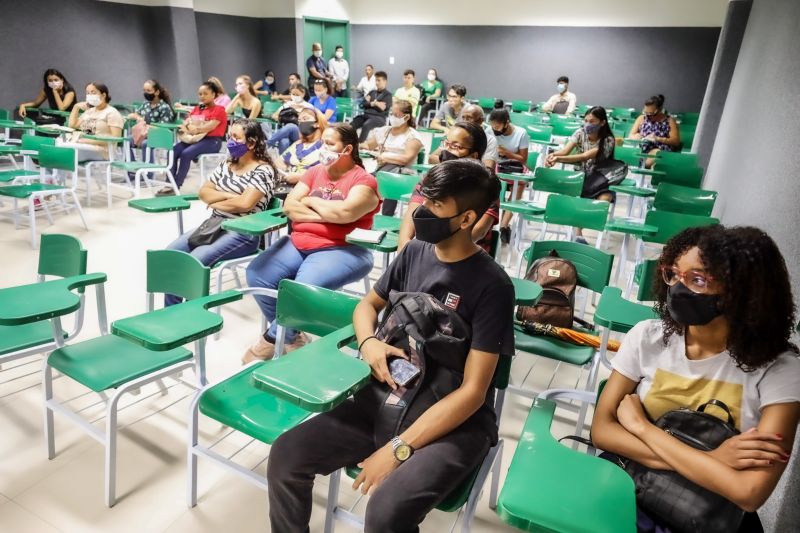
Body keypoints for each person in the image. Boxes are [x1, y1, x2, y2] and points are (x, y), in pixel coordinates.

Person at [266, 159, 514, 533]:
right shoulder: (415, 251)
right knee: (286, 456)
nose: (421, 211)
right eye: (423, 199)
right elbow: (368, 305)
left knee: (385, 512)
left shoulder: (492, 286)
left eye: (435, 206)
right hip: (388, 395)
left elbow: (474, 393)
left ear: (466, 220)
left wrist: (399, 448)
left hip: (451, 422)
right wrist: (369, 343)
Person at [592, 225, 800, 532]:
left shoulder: (780, 370)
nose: (679, 287)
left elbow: (749, 493)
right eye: (674, 274)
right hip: (628, 492)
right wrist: (715, 460)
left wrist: (641, 428)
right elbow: (602, 431)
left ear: (741, 292)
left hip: (706, 516)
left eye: (698, 280)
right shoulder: (648, 338)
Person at [244, 123, 380, 362]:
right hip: (300, 241)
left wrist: (310, 201)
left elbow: (344, 214)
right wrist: (327, 213)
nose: (323, 148)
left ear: (347, 149)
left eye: (329, 144)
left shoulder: (364, 180)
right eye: (322, 143)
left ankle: (271, 339)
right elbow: (290, 206)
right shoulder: (314, 172)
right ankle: (292, 335)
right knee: (258, 273)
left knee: (300, 290)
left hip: (342, 248)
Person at [164, 119, 275, 305]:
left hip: (243, 232)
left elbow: (246, 204)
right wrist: (230, 195)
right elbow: (204, 192)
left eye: (236, 137)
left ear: (251, 142)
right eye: (230, 136)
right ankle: (171, 311)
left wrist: (218, 202)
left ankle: (193, 313)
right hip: (215, 224)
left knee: (195, 262)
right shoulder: (227, 164)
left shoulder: (264, 170)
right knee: (172, 255)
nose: (230, 141)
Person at [400, 122, 499, 255]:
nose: (448, 151)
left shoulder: (485, 187)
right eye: (446, 144)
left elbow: (476, 233)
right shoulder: (430, 179)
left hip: (464, 258)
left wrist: (431, 260)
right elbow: (408, 228)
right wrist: (406, 259)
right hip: (423, 253)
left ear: (474, 156)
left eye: (456, 146)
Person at [545, 105, 615, 243]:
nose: (588, 124)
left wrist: (559, 159)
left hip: (601, 180)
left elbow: (585, 156)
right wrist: (552, 155)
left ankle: (580, 232)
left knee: (603, 200)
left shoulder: (608, 140)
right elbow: (565, 151)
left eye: (592, 121)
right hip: (580, 178)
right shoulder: (579, 133)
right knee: (575, 199)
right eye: (586, 120)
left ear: (602, 122)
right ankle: (578, 235)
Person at [162, 81, 228, 195]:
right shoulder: (199, 107)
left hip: (213, 141)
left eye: (205, 93)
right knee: (172, 152)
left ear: (213, 95)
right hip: (195, 139)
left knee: (186, 153)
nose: (202, 96)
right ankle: (169, 184)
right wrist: (186, 126)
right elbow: (188, 121)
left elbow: (210, 126)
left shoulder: (220, 110)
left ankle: (176, 186)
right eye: (200, 94)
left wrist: (195, 129)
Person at [362, 100, 424, 215]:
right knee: (363, 179)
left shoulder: (413, 136)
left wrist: (384, 156)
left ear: (406, 117)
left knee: (384, 181)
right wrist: (354, 144)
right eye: (391, 114)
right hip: (382, 171)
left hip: (404, 175)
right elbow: (368, 145)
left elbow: (406, 159)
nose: (392, 117)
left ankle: (385, 217)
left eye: (396, 115)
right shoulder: (385, 131)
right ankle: (368, 215)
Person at [489, 104, 530, 244]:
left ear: (507, 123)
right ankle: (489, 218)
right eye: (492, 126)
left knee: (519, 185)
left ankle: (504, 225)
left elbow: (523, 159)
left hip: (514, 165)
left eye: (497, 126)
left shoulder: (521, 133)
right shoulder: (489, 131)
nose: (494, 129)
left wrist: (506, 152)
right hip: (496, 163)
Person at [59, 82, 123, 162]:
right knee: (55, 146)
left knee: (66, 151)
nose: (90, 95)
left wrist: (88, 141)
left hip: (102, 150)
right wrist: (76, 107)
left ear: (103, 95)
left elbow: (115, 138)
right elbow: (72, 125)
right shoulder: (90, 111)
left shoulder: (112, 113)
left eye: (93, 92)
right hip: (83, 144)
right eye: (88, 93)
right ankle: (57, 174)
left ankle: (61, 174)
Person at [272, 107, 327, 195]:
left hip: (310, 191)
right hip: (286, 188)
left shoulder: (327, 146)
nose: (301, 123)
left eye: (305, 119)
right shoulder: (298, 144)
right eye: (300, 121)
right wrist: (281, 170)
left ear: (317, 123)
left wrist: (301, 177)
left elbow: (328, 176)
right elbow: (280, 162)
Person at [430, 104, 498, 169]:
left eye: (469, 118)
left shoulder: (490, 140)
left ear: (481, 120)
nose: (464, 121)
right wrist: (455, 163)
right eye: (463, 117)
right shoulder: (456, 134)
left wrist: (450, 162)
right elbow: (431, 158)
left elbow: (487, 167)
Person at [127, 79, 175, 162]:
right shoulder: (146, 104)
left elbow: (163, 127)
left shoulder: (164, 107)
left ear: (156, 92)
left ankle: (148, 173)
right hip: (145, 133)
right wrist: (138, 118)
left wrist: (147, 127)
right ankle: (131, 167)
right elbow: (136, 114)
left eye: (148, 90)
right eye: (144, 90)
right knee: (127, 141)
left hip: (161, 135)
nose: (146, 93)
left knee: (146, 144)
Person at [629, 94, 680, 167]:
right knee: (631, 154)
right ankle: (640, 165)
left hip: (659, 150)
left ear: (659, 111)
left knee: (654, 155)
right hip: (642, 148)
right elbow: (631, 135)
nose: (647, 116)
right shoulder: (642, 118)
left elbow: (676, 141)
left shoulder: (669, 121)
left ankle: (642, 166)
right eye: (645, 113)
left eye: (650, 114)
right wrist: (636, 137)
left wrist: (657, 138)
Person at [268, 84, 319, 154]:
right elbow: (274, 116)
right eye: (293, 94)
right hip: (287, 133)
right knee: (284, 141)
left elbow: (311, 122)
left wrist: (296, 113)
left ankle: (267, 144)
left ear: (303, 94)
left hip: (302, 133)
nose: (295, 96)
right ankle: (283, 162)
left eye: (297, 94)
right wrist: (283, 117)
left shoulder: (308, 106)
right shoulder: (287, 104)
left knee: (291, 126)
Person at [350, 71, 393, 142]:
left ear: (385, 81)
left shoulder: (387, 95)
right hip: (366, 115)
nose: (377, 82)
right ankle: (352, 142)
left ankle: (360, 144)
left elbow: (383, 107)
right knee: (352, 125)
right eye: (376, 80)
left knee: (366, 125)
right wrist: (373, 103)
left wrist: (370, 102)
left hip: (379, 118)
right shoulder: (372, 92)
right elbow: (362, 104)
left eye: (379, 80)